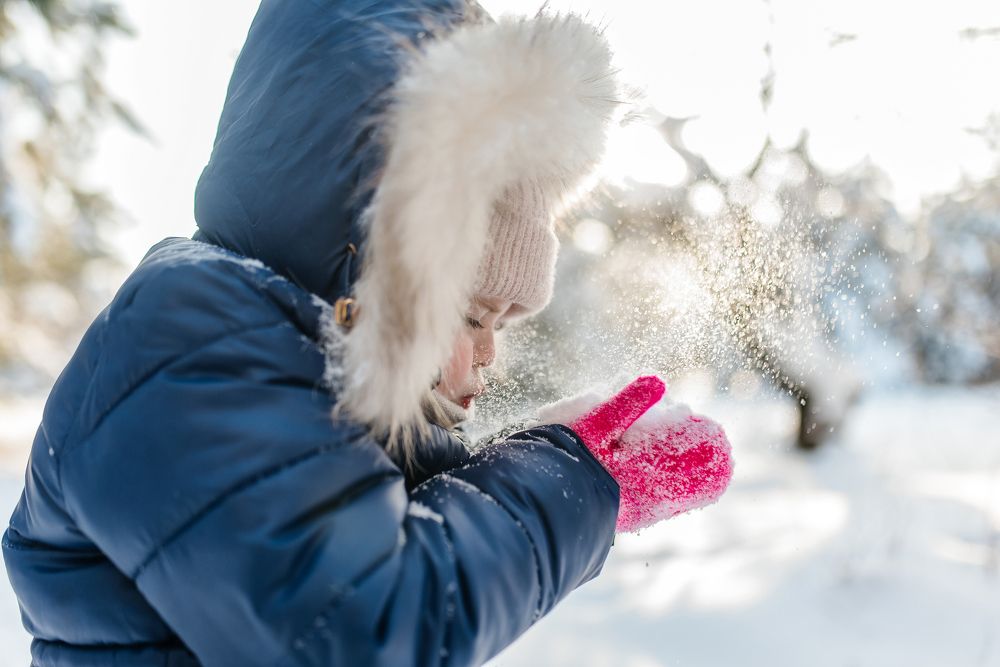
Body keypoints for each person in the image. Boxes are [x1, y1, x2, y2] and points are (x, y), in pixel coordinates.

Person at [3, 2, 732, 666]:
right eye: (471, 314)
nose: (489, 353)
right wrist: (568, 476)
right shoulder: (184, 342)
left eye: (502, 324)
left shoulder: (263, 355)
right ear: (370, 276)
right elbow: (363, 629)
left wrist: (574, 464)